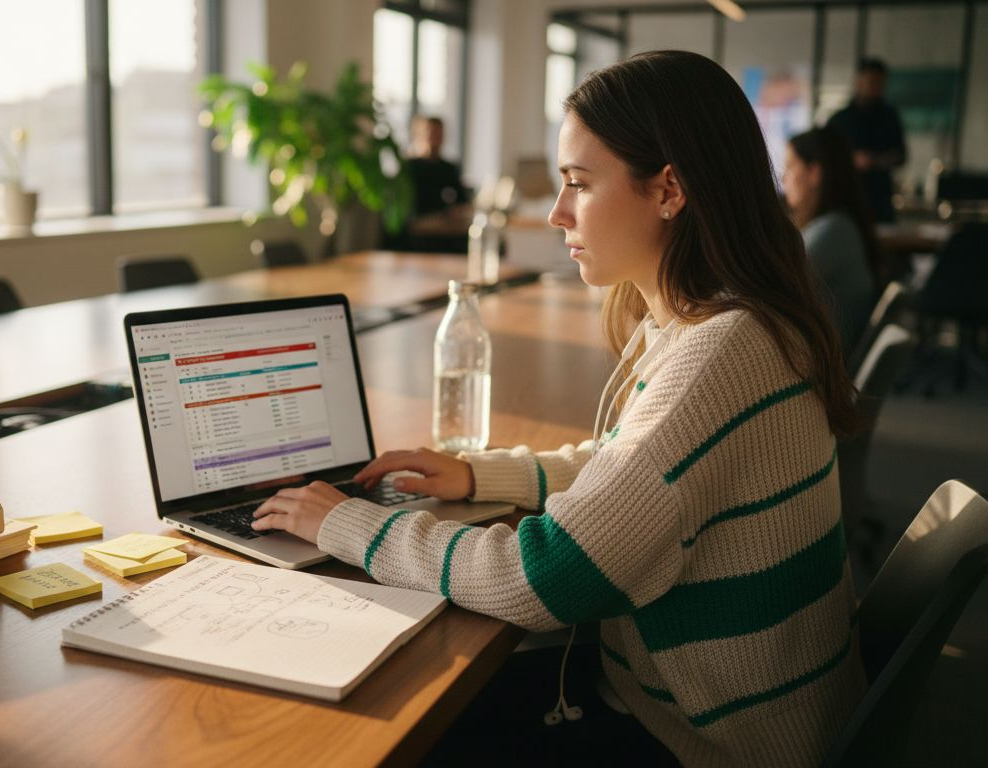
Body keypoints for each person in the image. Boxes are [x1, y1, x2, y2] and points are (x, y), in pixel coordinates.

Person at [253, 50, 866, 767]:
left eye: (579, 183)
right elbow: (631, 474)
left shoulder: (719, 356)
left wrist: (346, 523)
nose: (555, 212)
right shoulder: (722, 321)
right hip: (705, 706)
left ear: (669, 190)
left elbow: (542, 579)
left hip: (707, 744)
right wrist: (478, 476)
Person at [783, 126, 880, 356]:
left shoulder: (834, 230)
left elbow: (775, 283)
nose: (783, 178)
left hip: (819, 367)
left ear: (814, 173)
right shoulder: (838, 225)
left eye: (789, 167)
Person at [826, 58, 907, 223]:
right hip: (845, 198)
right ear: (858, 81)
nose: (874, 87)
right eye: (870, 81)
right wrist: (851, 160)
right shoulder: (839, 120)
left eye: (879, 83)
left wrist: (874, 161)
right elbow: (825, 157)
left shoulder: (889, 118)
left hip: (879, 200)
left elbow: (901, 156)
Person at [386, 115, 472, 253]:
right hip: (415, 229)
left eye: (438, 134)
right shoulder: (409, 168)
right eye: (430, 133)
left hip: (442, 227)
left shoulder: (448, 168)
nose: (434, 139)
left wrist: (453, 214)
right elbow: (401, 210)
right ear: (419, 136)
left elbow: (462, 201)